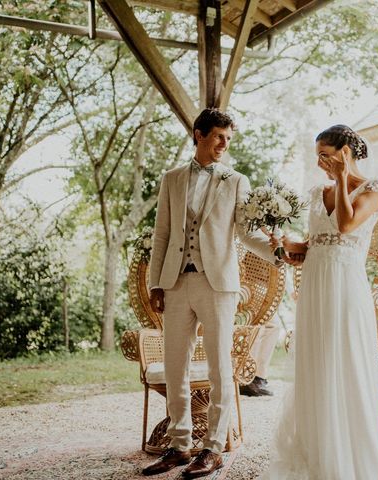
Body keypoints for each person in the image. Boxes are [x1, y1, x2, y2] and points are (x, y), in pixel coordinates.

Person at [143, 108, 279, 478]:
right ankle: (179, 444)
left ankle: (214, 447)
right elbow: (162, 234)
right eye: (219, 136)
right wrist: (156, 282)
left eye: (229, 139)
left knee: (220, 366)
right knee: (176, 366)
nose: (224, 144)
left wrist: (280, 251)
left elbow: (247, 234)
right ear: (199, 134)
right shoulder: (171, 179)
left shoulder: (236, 180)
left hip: (218, 283)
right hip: (175, 282)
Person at [265, 125, 378, 480]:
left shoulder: (375, 190)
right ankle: (316, 450)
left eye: (325, 154)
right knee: (316, 363)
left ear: (345, 152)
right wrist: (293, 248)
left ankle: (348, 459)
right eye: (317, 155)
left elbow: (347, 226)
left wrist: (341, 179)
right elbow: (317, 243)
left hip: (345, 288)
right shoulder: (317, 191)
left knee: (343, 362)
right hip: (315, 287)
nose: (320, 162)